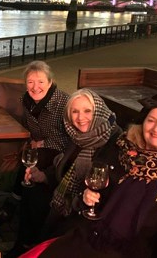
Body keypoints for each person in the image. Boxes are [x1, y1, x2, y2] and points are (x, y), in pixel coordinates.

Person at [21, 93, 157, 258]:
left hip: (130, 253)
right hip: (92, 237)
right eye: (151, 121)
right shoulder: (125, 153)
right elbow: (104, 198)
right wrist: (89, 199)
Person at [1, 60, 71, 258]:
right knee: (26, 163)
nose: (35, 87)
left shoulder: (63, 102)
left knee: (31, 170)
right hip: (40, 150)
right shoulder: (27, 101)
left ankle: (24, 238)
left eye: (40, 81)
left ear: (50, 82)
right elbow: (32, 130)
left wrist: (42, 143)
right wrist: (32, 142)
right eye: (30, 82)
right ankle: (15, 212)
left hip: (59, 153)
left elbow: (69, 136)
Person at [41, 89, 122, 239]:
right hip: (68, 200)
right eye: (75, 112)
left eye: (87, 111)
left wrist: (82, 199)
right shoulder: (78, 137)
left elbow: (112, 188)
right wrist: (43, 176)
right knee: (31, 190)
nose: (80, 117)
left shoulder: (115, 142)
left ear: (98, 111)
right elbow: (66, 167)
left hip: (93, 212)